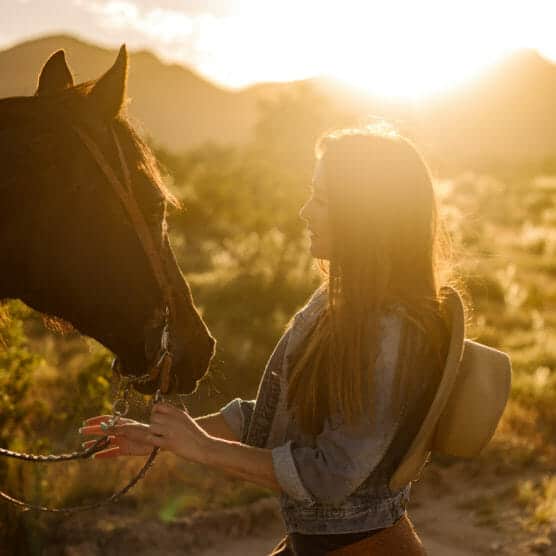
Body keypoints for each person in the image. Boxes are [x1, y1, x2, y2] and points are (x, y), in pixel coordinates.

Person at [80, 123, 455, 555]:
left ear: (365, 217)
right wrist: (157, 438)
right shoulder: (340, 302)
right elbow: (277, 414)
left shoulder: (393, 332)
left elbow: (332, 475)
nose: (305, 212)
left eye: (323, 199)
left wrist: (202, 448)